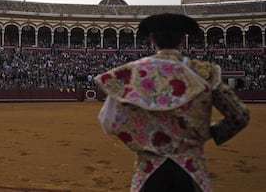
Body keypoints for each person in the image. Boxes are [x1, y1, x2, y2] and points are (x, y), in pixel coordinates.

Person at [94, 13, 250, 192]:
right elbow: (240, 115)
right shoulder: (204, 72)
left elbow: (107, 120)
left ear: (152, 39)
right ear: (183, 39)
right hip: (191, 169)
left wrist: (140, 139)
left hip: (149, 170)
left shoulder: (131, 72)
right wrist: (208, 133)